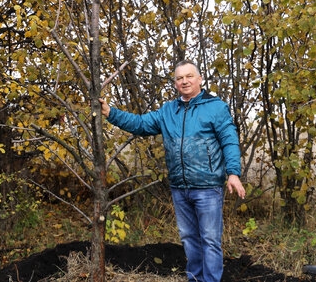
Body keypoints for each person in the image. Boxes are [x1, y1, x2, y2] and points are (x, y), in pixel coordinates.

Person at [99, 60, 245, 282]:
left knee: (210, 240)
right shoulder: (169, 110)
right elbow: (140, 124)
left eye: (189, 76)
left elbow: (229, 141)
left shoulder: (216, 107)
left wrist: (233, 173)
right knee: (188, 239)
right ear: (175, 83)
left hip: (207, 188)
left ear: (199, 79)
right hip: (179, 188)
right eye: (179, 78)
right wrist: (111, 112)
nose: (184, 81)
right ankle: (194, 279)